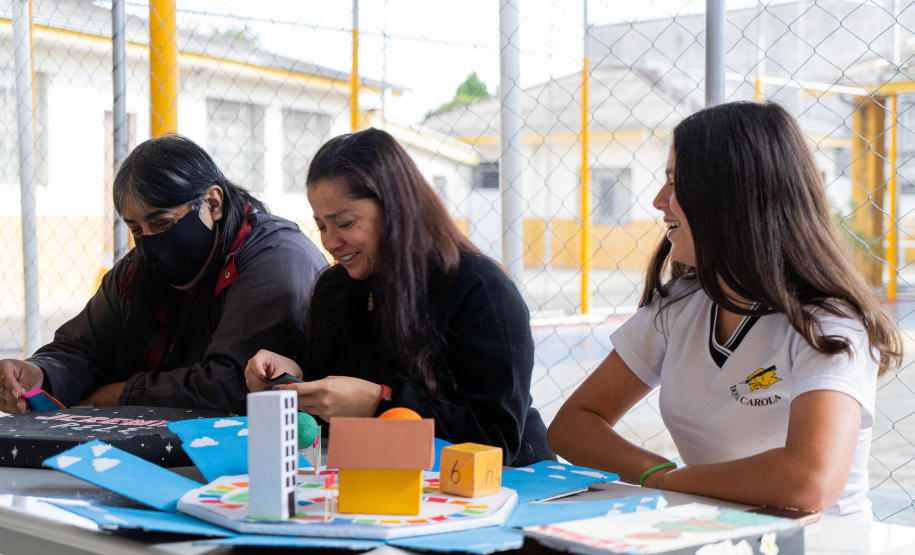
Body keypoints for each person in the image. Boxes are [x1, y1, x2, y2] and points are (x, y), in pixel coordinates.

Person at [547, 101, 902, 519]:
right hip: (719, 533)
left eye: (677, 182)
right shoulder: (680, 305)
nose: (660, 199)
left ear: (730, 196)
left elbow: (809, 482)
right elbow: (572, 425)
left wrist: (672, 483)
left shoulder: (827, 323)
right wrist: (657, 472)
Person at [245, 128, 553, 467]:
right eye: (321, 226)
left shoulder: (480, 289)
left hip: (504, 489)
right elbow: (331, 407)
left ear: (396, 209)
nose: (330, 242)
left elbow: (496, 441)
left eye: (345, 223)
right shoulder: (336, 287)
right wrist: (296, 380)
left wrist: (382, 403)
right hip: (383, 481)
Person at [0, 135, 327, 415]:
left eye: (162, 222)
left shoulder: (276, 258)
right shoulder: (136, 270)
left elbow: (235, 383)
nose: (150, 242)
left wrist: (120, 395)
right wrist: (38, 374)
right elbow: (81, 349)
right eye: (136, 229)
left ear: (212, 204)